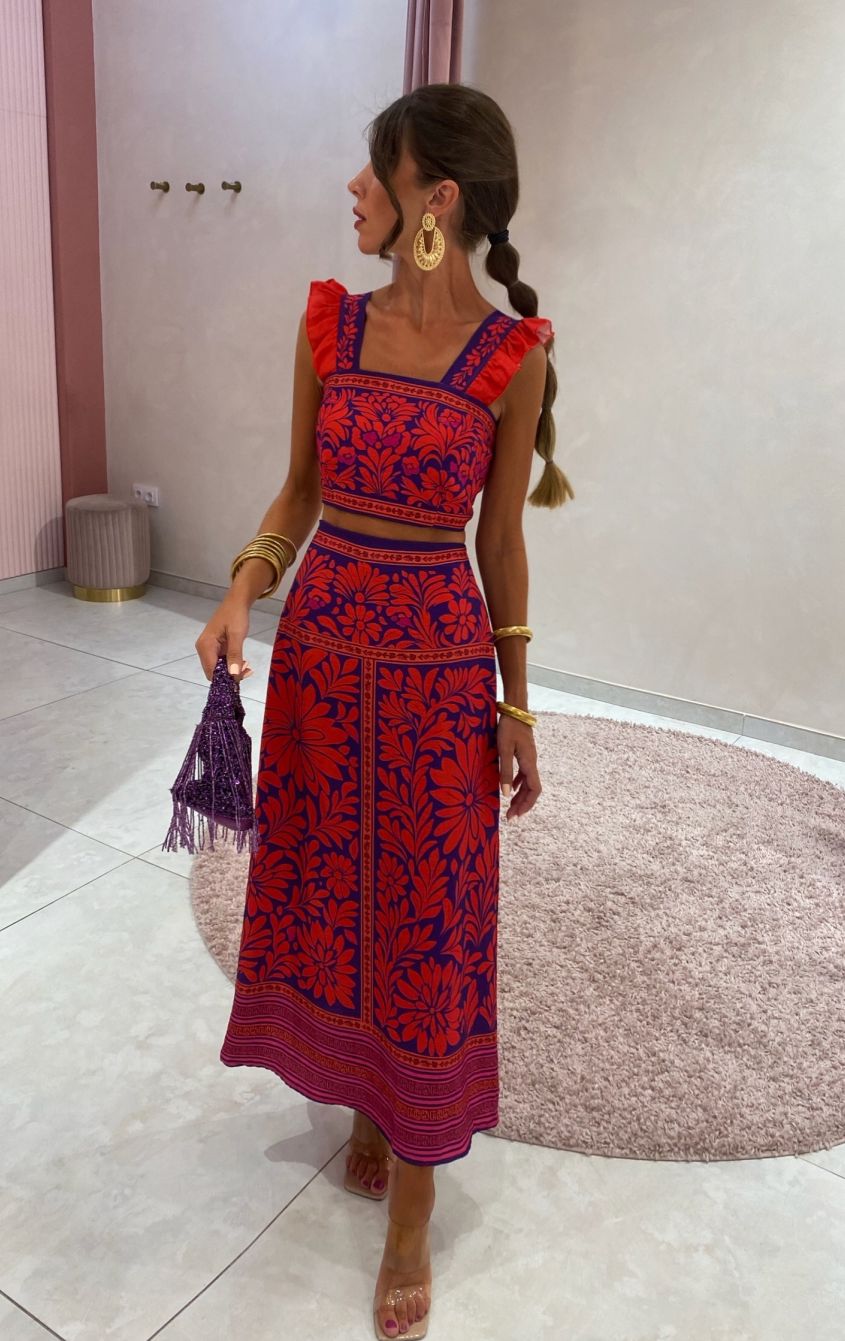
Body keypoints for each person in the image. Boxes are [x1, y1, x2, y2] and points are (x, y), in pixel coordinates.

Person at [196, 82, 573, 1339]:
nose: (353, 189)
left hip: (436, 679)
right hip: (317, 664)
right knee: (334, 893)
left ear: (433, 199)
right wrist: (242, 588)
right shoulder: (327, 324)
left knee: (426, 924)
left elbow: (502, 545)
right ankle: (364, 1096)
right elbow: (297, 493)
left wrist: (518, 706)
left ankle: (413, 1208)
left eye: (375, 169)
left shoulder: (512, 358)